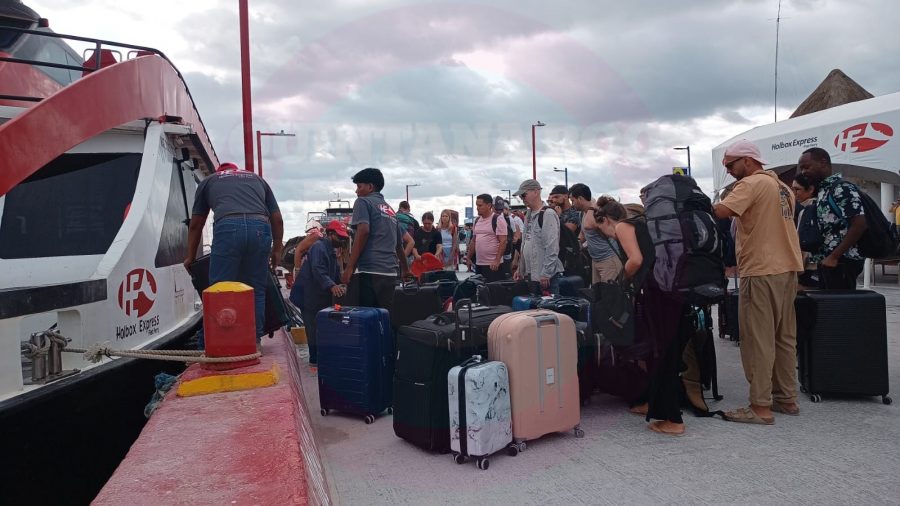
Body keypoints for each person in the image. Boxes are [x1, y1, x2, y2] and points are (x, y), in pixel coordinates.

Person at [714, 139, 804, 425]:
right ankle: (786, 398)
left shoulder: (751, 184)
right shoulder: (783, 187)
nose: (728, 171)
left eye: (730, 164)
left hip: (762, 268)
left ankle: (760, 406)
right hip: (787, 267)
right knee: (784, 337)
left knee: (758, 339)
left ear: (747, 160)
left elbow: (721, 212)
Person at [591, 196, 679, 434]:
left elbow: (636, 260)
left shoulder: (623, 226)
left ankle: (672, 419)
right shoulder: (642, 223)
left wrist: (622, 279)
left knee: (659, 353)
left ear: (607, 220)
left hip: (656, 292)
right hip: (667, 290)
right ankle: (655, 403)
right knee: (658, 350)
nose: (608, 236)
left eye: (602, 230)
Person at [185, 161, 284, 343]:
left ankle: (222, 341)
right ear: (237, 171)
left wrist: (190, 257)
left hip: (228, 227)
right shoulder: (258, 180)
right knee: (256, 289)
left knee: (220, 288)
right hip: (260, 227)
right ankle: (254, 342)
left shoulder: (209, 181)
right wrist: (277, 249)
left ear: (220, 172)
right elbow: (277, 220)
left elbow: (196, 225)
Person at [797, 147, 868, 289]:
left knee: (840, 302)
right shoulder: (824, 190)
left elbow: (860, 223)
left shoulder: (841, 188)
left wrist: (834, 256)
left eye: (807, 167)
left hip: (842, 262)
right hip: (827, 262)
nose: (803, 172)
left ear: (823, 163)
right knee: (828, 301)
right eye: (801, 168)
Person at [341, 168, 409, 310]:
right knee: (383, 317)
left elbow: (363, 231)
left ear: (370, 187)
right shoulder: (390, 210)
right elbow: (399, 245)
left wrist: (350, 267)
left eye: (359, 186)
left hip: (370, 271)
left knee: (365, 318)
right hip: (390, 274)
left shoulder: (362, 202)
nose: (356, 191)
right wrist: (405, 269)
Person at [298, 220, 348, 366]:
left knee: (320, 326)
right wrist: (332, 286)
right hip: (308, 295)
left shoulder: (331, 250)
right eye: (339, 237)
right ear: (330, 234)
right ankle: (314, 358)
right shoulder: (319, 247)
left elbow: (335, 273)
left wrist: (341, 283)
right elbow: (318, 269)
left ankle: (321, 356)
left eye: (343, 238)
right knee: (312, 328)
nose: (342, 240)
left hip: (319, 295)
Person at [513, 179, 564, 293]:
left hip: (545, 277)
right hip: (532, 275)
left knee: (547, 304)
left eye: (523, 195)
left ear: (536, 192)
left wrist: (546, 273)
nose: (522, 198)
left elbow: (552, 247)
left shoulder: (548, 214)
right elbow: (525, 243)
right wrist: (520, 269)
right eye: (521, 196)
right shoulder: (528, 214)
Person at [570, 183, 622, 283]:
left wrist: (591, 207)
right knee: (597, 291)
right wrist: (578, 242)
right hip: (595, 260)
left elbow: (589, 226)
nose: (572, 204)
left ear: (580, 199)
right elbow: (584, 232)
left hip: (609, 260)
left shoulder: (597, 212)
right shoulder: (582, 213)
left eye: (572, 200)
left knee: (610, 291)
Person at [466, 194, 508, 282]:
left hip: (493, 265)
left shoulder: (498, 219)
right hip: (479, 264)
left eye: (480, 205)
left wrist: (497, 260)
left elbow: (503, 241)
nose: (477, 208)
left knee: (493, 289)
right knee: (480, 288)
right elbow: (474, 241)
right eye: (477, 205)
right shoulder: (477, 220)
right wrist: (468, 258)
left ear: (489, 205)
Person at [791, 173, 819, 288]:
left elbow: (801, 242)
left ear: (811, 189)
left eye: (797, 189)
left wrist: (798, 269)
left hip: (810, 266)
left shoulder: (807, 210)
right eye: (793, 189)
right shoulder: (822, 205)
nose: (794, 193)